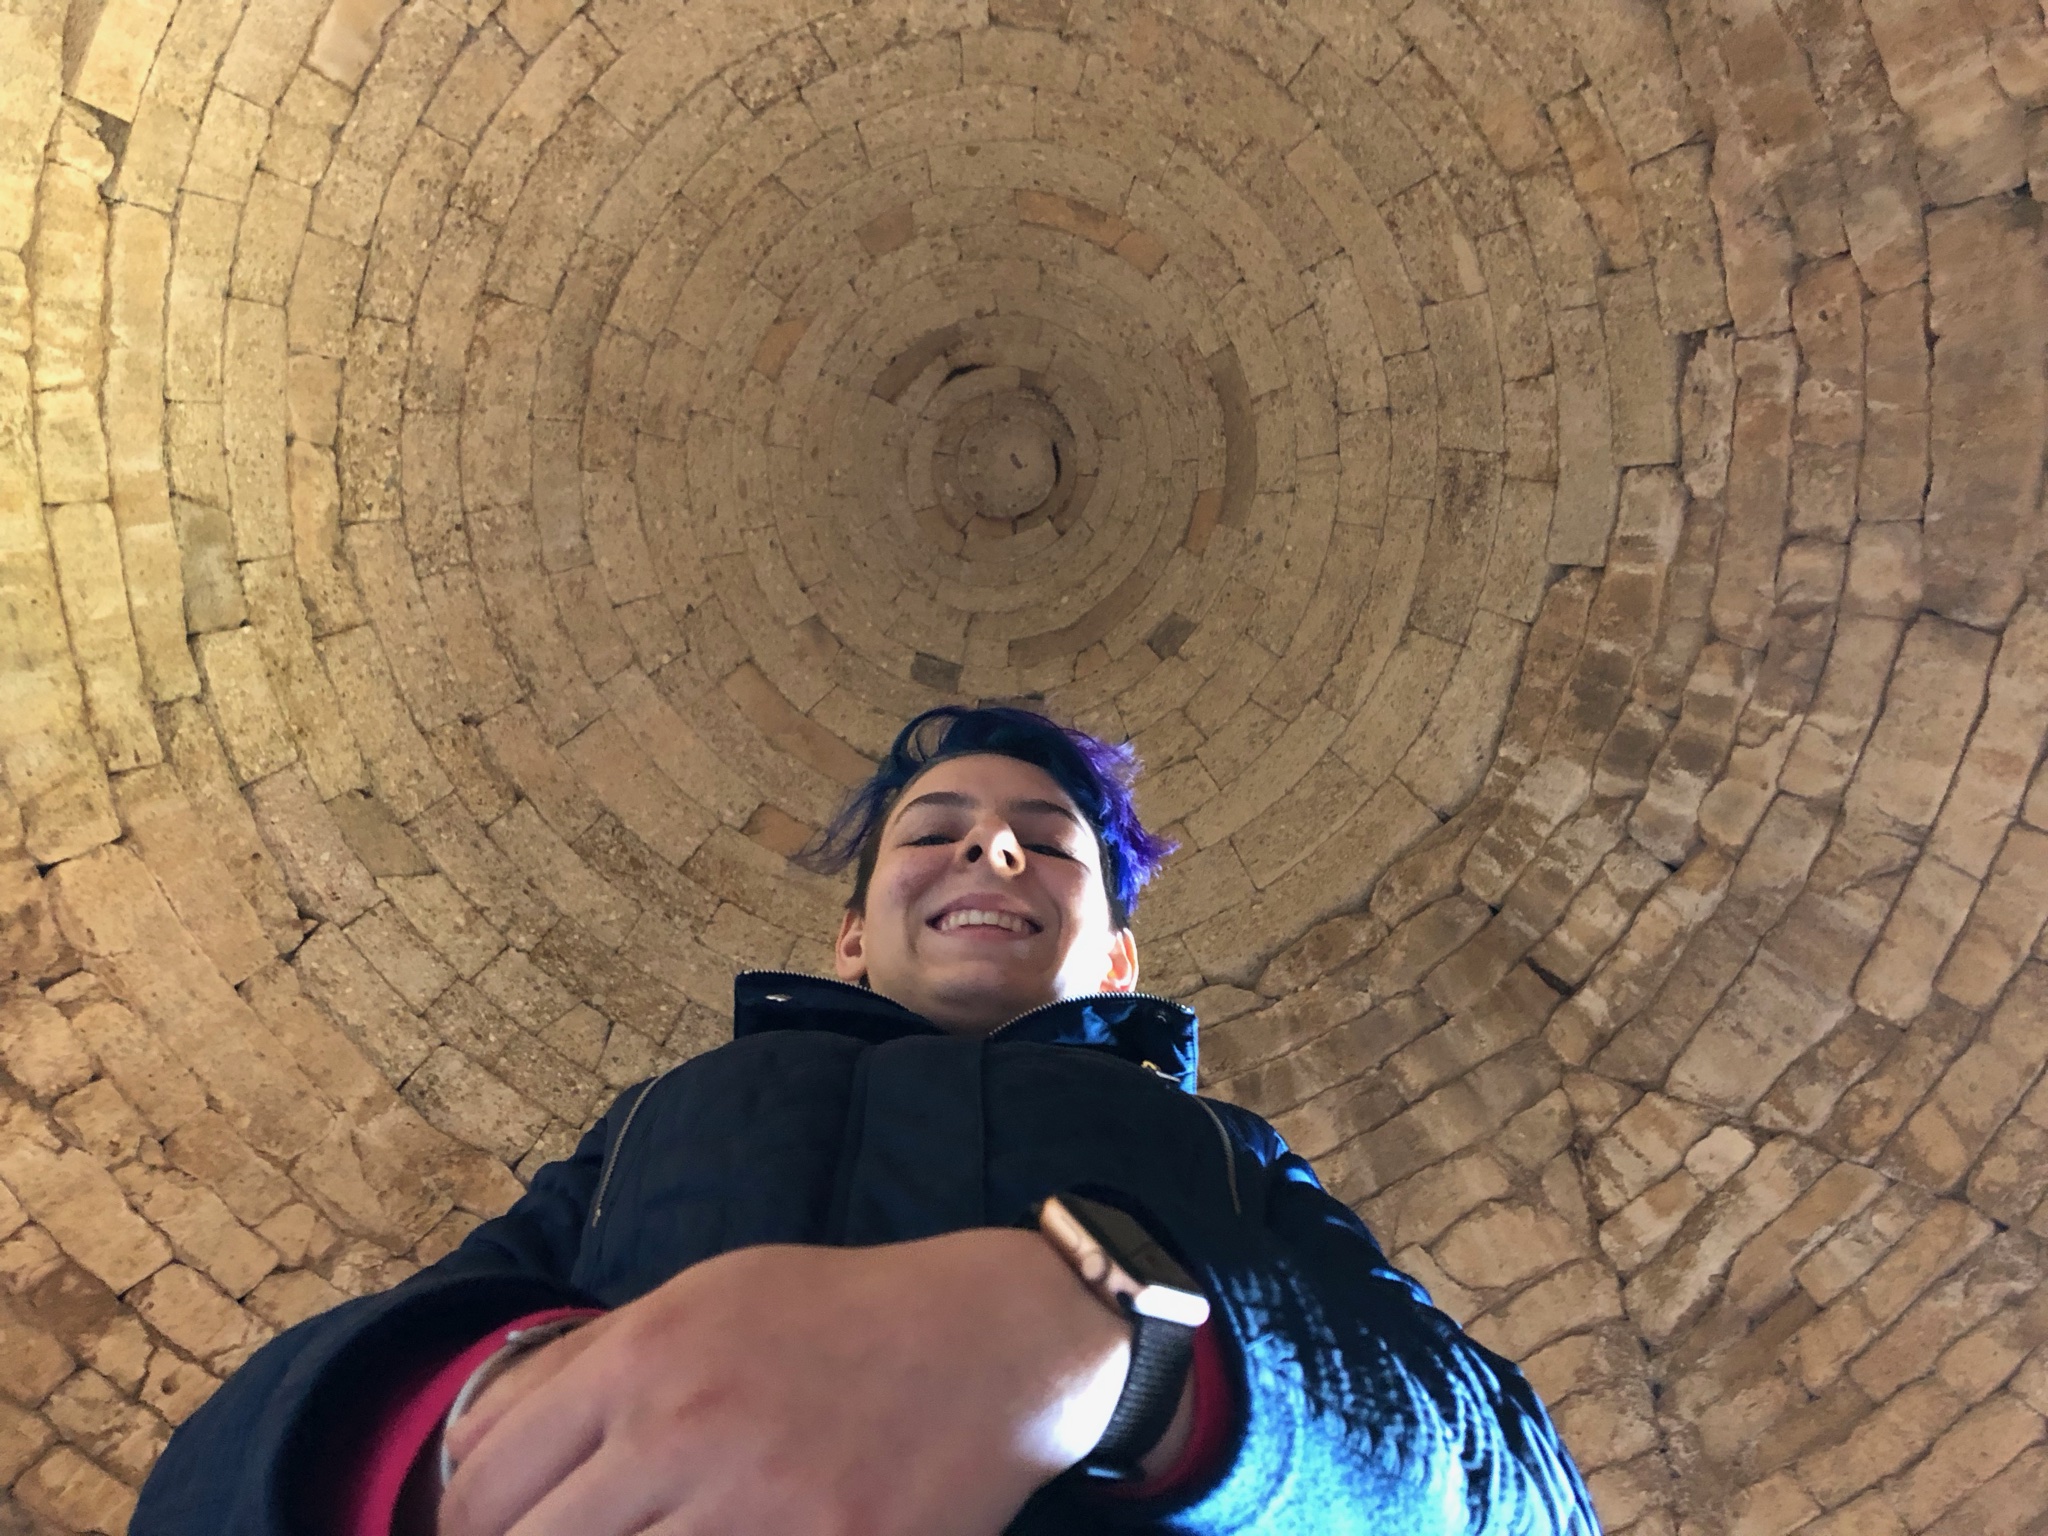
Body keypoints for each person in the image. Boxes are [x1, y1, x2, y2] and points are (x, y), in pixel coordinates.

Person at [133, 706, 1600, 1535]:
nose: (992, 843)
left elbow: (1519, 1489)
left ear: (1118, 959)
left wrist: (1128, 1355)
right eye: (937, 825)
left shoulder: (1229, 1155)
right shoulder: (653, 1124)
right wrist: (464, 1418)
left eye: (1048, 837)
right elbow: (216, 1474)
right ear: (850, 936)